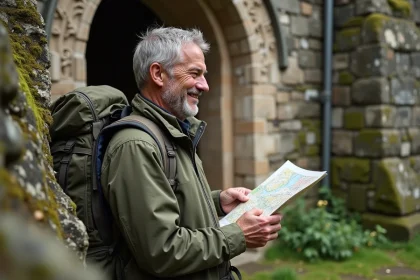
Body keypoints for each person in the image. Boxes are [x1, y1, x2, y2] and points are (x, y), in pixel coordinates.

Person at [100, 27, 283, 280]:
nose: (205, 85)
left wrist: (218, 201)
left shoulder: (173, 132)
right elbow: (161, 250)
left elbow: (168, 199)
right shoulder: (135, 145)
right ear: (158, 74)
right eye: (195, 74)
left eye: (204, 75)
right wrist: (238, 235)